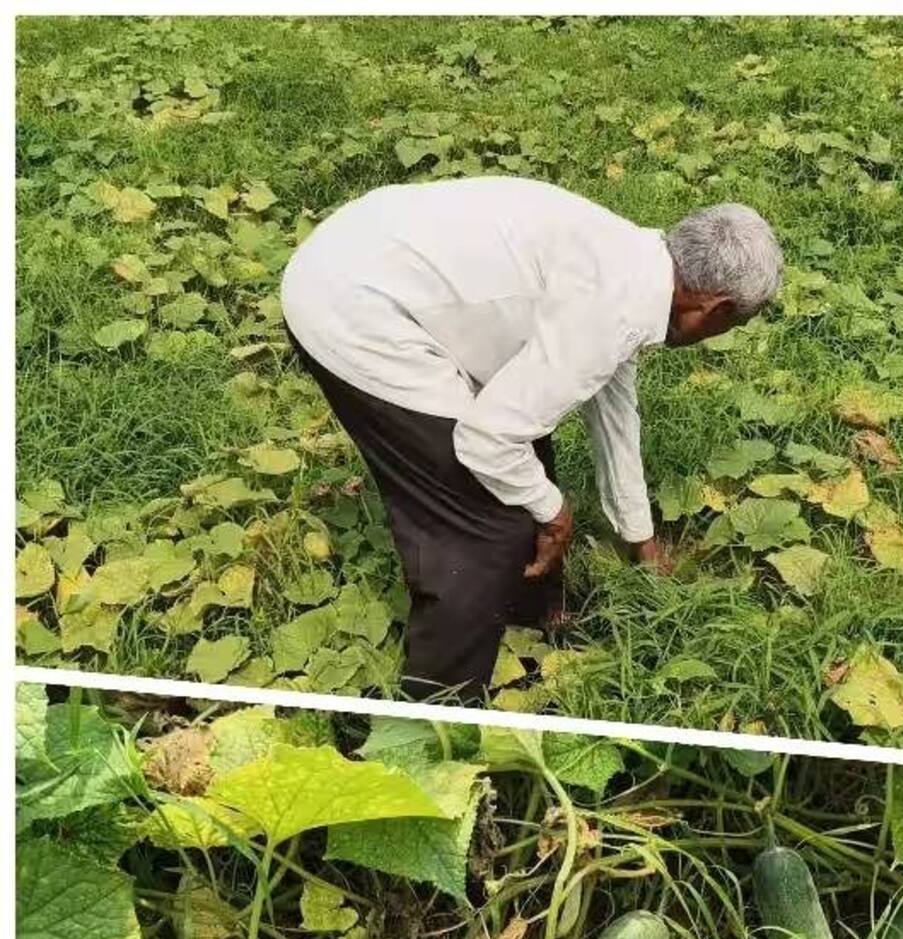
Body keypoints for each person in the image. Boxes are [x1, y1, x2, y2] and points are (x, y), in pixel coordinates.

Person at [280, 176, 782, 703]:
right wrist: (554, 510)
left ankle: (528, 621)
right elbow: (486, 442)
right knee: (484, 524)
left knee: (520, 467)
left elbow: (613, 412)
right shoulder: (610, 310)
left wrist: (641, 540)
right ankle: (435, 727)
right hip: (352, 306)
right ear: (717, 309)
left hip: (370, 251)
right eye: (734, 325)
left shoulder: (635, 266)